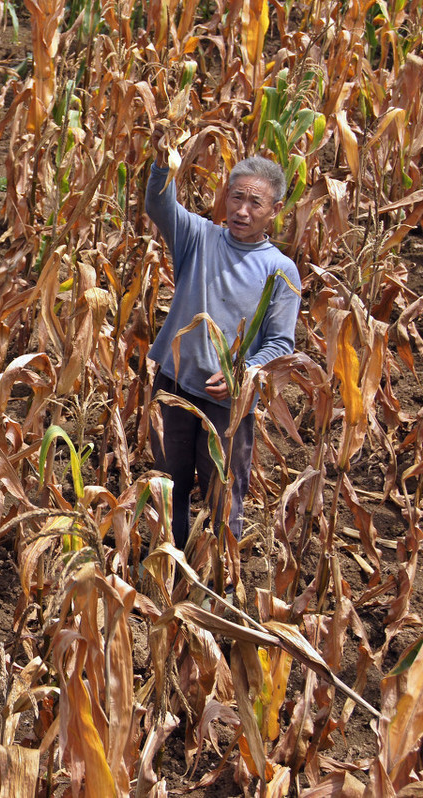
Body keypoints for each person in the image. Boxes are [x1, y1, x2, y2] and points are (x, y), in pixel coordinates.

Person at [146, 140, 302, 550]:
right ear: (225, 197)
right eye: (236, 198)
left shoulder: (280, 271)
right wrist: (164, 164)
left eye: (255, 203)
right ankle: (166, 567)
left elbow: (280, 344)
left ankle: (218, 586)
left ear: (275, 211)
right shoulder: (198, 237)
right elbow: (160, 207)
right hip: (173, 388)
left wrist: (241, 373)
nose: (243, 211)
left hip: (229, 405)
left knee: (222, 498)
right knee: (167, 487)